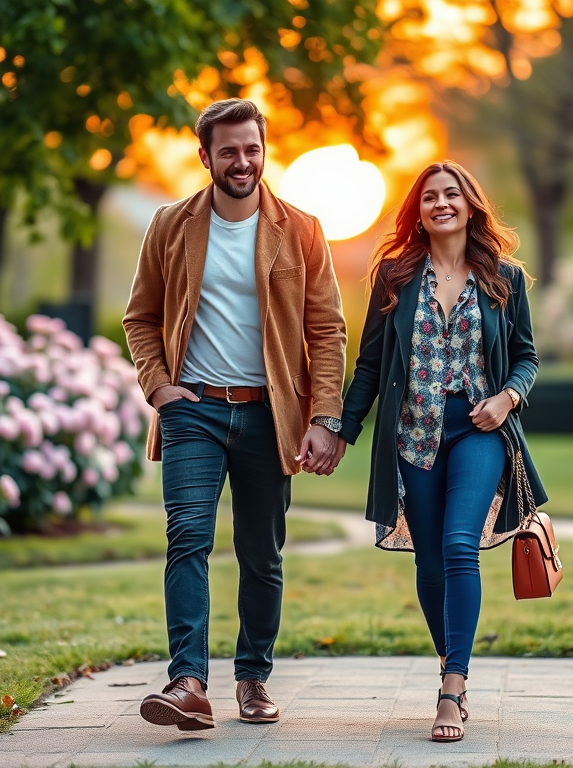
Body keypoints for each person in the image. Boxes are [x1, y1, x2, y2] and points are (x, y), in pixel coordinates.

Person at [123, 98, 347, 731]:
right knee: (187, 539)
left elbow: (327, 330)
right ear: (206, 158)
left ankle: (252, 677)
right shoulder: (170, 225)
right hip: (191, 409)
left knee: (261, 553)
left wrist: (324, 415)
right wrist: (158, 386)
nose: (242, 161)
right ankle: (188, 682)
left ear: (263, 150)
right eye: (229, 151)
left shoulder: (300, 229)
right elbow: (140, 316)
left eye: (252, 148)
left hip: (268, 415)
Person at [335, 161, 548, 743]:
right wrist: (340, 429)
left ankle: (452, 686)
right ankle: (450, 661)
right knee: (429, 561)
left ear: (471, 204)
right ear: (418, 210)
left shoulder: (504, 277)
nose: (441, 203)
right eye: (430, 197)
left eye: (452, 194)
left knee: (459, 546)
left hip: (478, 430)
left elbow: (527, 356)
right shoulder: (396, 276)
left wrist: (508, 397)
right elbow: (372, 366)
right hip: (414, 434)